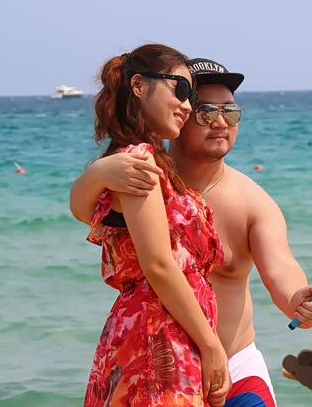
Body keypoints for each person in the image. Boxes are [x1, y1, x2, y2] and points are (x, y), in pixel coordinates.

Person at [71, 57, 312, 407]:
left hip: (235, 367)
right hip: (164, 369)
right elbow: (85, 212)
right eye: (206, 111)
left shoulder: (252, 201)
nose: (221, 122)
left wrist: (300, 299)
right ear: (181, 113)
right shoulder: (142, 177)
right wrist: (97, 174)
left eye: (231, 112)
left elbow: (281, 266)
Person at [78, 45, 231, 407]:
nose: (187, 105)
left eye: (191, 96)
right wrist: (211, 346)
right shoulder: (138, 161)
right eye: (181, 89)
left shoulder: (142, 161)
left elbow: (83, 210)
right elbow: (159, 264)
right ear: (138, 86)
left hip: (161, 334)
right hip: (156, 338)